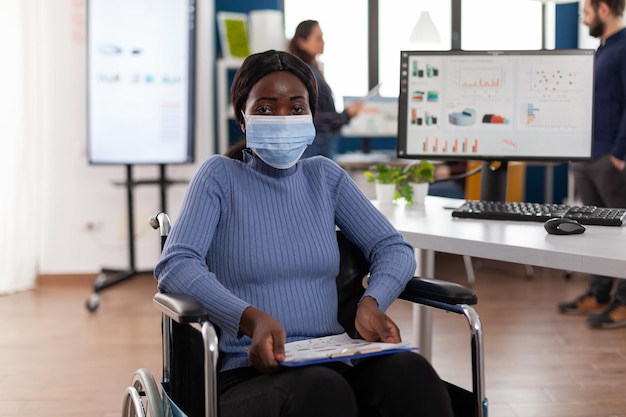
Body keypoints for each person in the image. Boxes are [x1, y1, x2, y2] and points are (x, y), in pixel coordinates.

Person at [155, 50, 453, 417]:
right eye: (265, 109)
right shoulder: (219, 176)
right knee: (321, 392)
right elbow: (176, 265)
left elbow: (392, 246)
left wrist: (372, 301)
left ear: (312, 117)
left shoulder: (325, 177)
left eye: (297, 108)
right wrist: (251, 319)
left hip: (334, 357)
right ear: (243, 118)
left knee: (413, 374)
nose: (283, 118)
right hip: (247, 372)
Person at [557, 0, 626, 329]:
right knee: (597, 232)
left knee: (622, 234)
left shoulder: (624, 47)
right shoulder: (600, 51)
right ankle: (599, 292)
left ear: (603, 9)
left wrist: (620, 155)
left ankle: (624, 302)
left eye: (585, 12)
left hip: (611, 159)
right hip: (586, 156)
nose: (583, 19)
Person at [288, 20, 364, 160]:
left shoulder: (313, 69)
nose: (323, 42)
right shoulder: (303, 73)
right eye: (318, 38)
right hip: (315, 147)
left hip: (321, 144)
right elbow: (310, 118)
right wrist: (345, 115)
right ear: (302, 42)